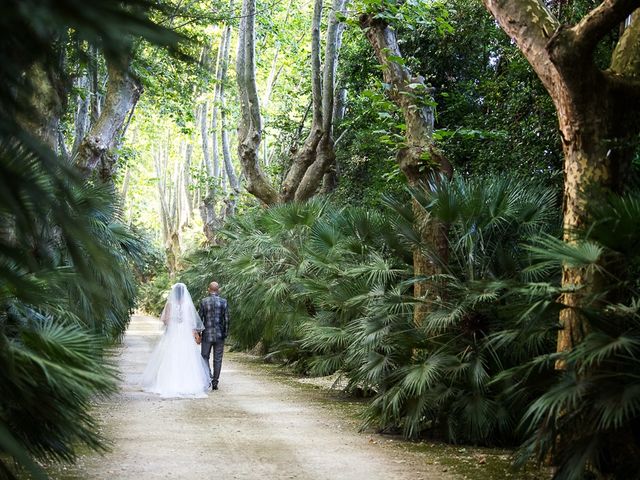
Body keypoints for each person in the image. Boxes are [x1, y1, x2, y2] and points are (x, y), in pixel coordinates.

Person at [141, 283, 210, 398]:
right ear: (184, 293)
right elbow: (192, 322)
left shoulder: (170, 304)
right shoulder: (187, 304)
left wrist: (173, 320)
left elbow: (164, 320)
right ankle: (189, 383)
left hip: (173, 333)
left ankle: (169, 382)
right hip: (185, 333)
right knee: (186, 356)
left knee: (170, 355)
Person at [198, 281, 230, 390]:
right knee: (218, 359)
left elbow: (200, 319)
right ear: (218, 290)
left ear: (209, 289)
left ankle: (208, 377)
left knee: (204, 357)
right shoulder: (224, 302)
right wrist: (225, 333)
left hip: (207, 334)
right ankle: (215, 382)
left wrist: (198, 334)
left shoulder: (203, 302)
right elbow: (226, 320)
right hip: (220, 335)